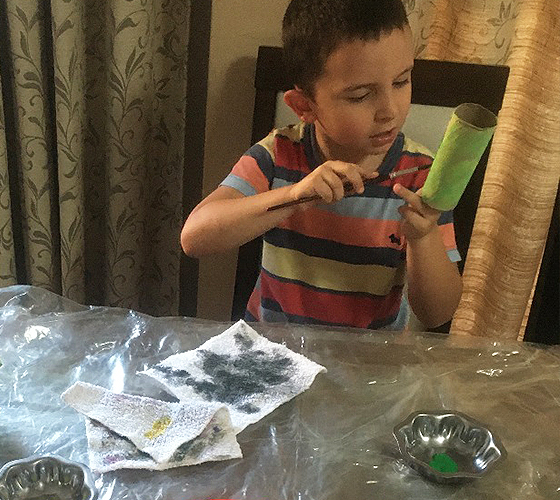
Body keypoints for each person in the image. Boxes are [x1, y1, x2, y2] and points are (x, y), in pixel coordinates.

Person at [181, 0, 462, 330]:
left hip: (367, 357)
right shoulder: (278, 155)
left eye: (401, 82)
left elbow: (438, 313)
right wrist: (293, 196)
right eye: (360, 95)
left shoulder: (421, 174)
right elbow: (195, 238)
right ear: (304, 106)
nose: (390, 110)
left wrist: (423, 237)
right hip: (274, 347)